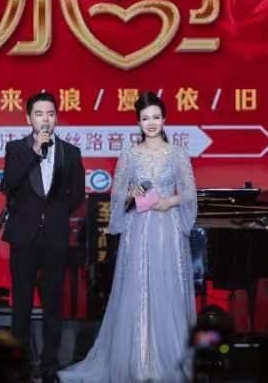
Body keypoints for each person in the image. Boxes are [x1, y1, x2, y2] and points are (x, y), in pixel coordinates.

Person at [59, 91, 198, 382]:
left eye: (156, 117)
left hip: (168, 229)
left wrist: (168, 202)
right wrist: (131, 194)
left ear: (165, 119)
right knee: (138, 289)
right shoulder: (130, 154)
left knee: (167, 289)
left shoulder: (177, 153)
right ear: (138, 122)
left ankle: (169, 362)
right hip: (139, 228)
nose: (151, 123)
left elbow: (189, 193)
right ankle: (139, 362)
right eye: (145, 118)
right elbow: (117, 194)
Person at [2, 92, 85, 381]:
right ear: (29, 118)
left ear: (56, 117)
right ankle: (20, 367)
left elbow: (77, 194)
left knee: (52, 306)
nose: (45, 119)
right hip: (23, 238)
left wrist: (56, 215)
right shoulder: (16, 149)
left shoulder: (70, 152)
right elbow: (9, 184)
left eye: (50, 114)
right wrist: (35, 150)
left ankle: (50, 366)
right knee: (21, 307)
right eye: (39, 114)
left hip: (55, 238)